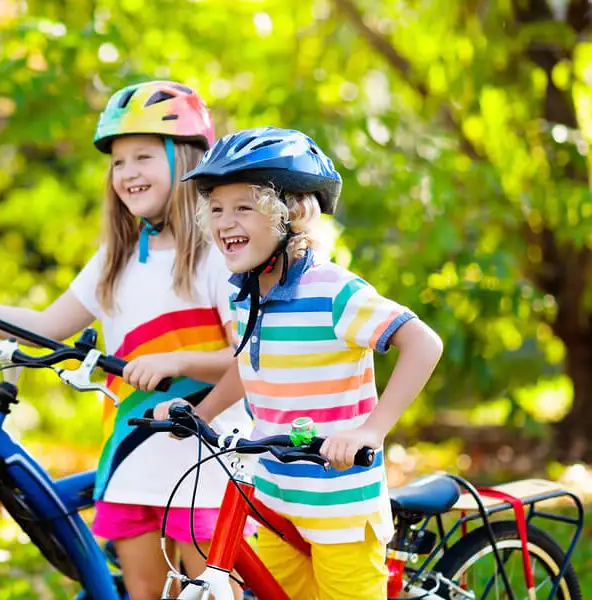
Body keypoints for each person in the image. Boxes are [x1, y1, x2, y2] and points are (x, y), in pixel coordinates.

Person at [0, 81, 251, 599]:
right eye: (117, 162)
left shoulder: (218, 256)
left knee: (205, 592)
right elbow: (44, 327)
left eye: (143, 157)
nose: (127, 172)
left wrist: (175, 360)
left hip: (207, 457)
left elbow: (250, 361)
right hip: (132, 457)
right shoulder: (116, 259)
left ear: (188, 161)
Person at [155, 126, 444, 599]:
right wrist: (201, 413)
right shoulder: (242, 294)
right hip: (275, 499)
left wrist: (370, 431)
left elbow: (424, 344)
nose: (226, 221)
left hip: (340, 507)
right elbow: (251, 366)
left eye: (244, 207)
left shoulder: (334, 291)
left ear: (289, 213)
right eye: (218, 209)